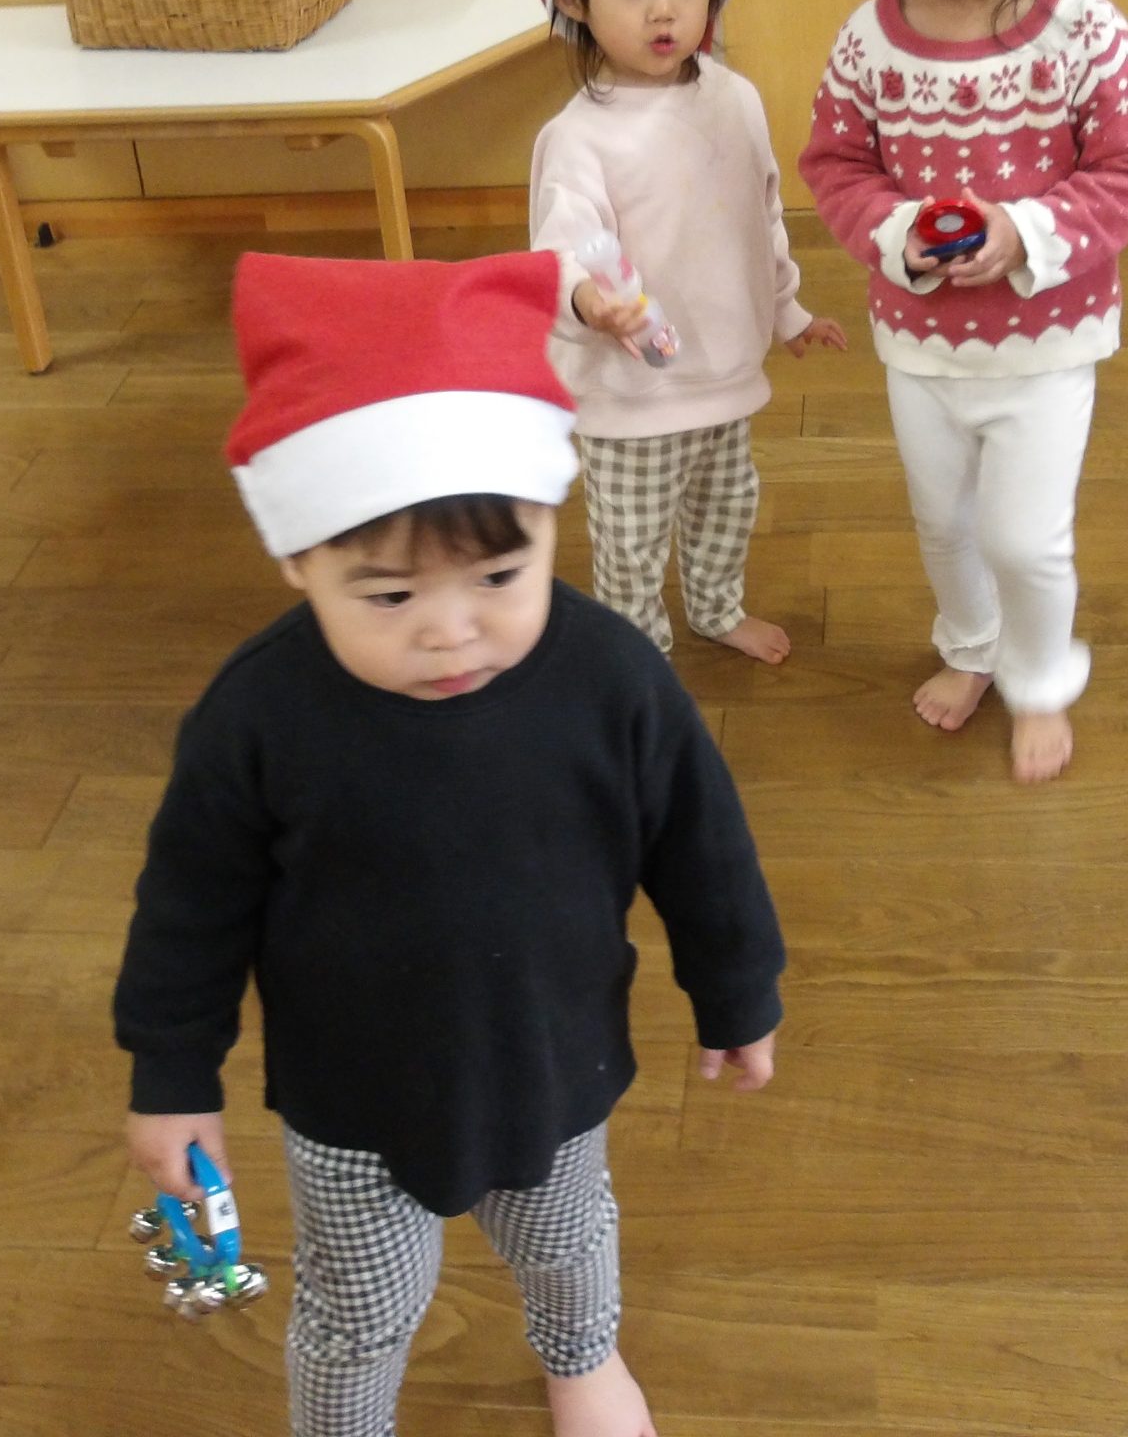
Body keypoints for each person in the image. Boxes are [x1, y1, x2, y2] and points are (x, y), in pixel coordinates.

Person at [115, 248, 785, 1437]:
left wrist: (736, 989)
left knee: (569, 1243)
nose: (450, 630)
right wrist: (172, 1078)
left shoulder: (611, 678)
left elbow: (701, 841)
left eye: (499, 574)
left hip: (553, 1063)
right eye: (388, 596)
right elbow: (189, 908)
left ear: (548, 520)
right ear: (296, 558)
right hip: (351, 1098)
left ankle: (582, 1361)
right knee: (359, 1309)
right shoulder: (258, 715)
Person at [797, 0, 1128, 783]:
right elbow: (835, 164)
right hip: (918, 342)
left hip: (1047, 341)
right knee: (943, 524)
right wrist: (896, 231)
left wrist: (1025, 231)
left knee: (1022, 537)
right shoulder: (867, 40)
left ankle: (1041, 677)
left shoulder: (1081, 27)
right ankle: (970, 646)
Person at [526, 0, 847, 664]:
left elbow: (759, 216)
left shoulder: (734, 100)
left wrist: (787, 310)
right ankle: (639, 658)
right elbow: (565, 244)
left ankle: (714, 606)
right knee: (631, 542)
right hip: (633, 387)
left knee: (725, 508)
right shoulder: (579, 136)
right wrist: (589, 301)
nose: (663, 9)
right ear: (576, 0)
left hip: (723, 370)